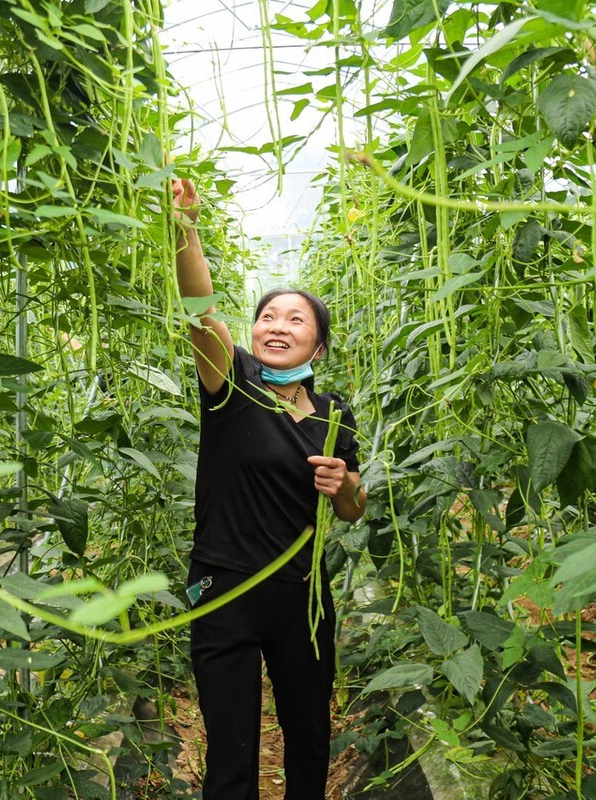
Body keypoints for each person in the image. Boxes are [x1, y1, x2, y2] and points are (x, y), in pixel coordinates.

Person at [171, 177, 367, 800]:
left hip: (302, 601)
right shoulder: (231, 385)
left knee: (308, 742)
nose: (276, 326)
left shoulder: (333, 413)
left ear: (319, 342)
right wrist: (184, 228)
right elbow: (200, 309)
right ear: (253, 332)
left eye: (295, 319)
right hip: (223, 589)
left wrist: (342, 487)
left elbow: (355, 507)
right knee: (231, 755)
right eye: (266, 317)